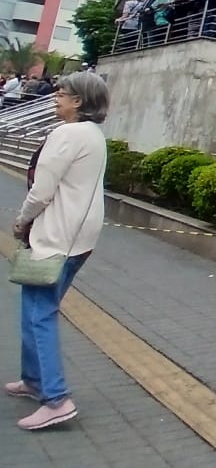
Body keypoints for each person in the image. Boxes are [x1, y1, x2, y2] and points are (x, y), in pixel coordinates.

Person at [6, 72, 110, 430]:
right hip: (80, 237)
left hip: (57, 235)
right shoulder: (93, 134)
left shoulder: (66, 134)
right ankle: (34, 380)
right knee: (37, 307)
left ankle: (56, 399)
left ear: (78, 101)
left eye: (61, 94)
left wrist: (20, 222)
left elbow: (41, 191)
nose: (55, 97)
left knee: (39, 313)